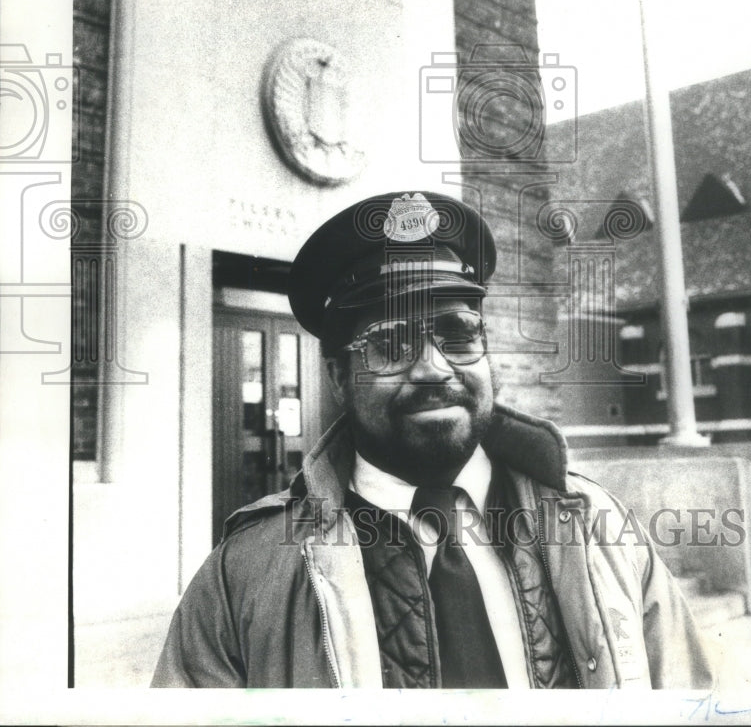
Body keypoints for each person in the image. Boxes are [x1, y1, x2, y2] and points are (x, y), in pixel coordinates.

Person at [152, 190, 714, 689]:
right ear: (340, 375)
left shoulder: (601, 530)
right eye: (392, 342)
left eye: (457, 332)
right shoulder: (242, 577)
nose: (432, 368)